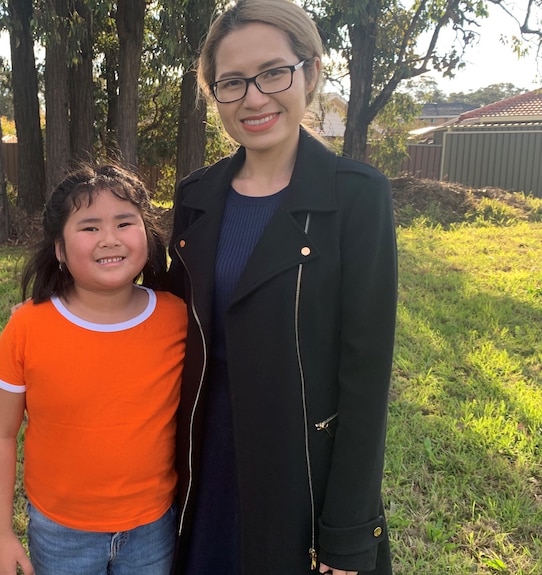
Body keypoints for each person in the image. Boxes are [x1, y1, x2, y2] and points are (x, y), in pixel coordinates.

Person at [168, 1, 398, 574]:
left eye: (273, 72)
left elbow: (366, 379)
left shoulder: (357, 198)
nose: (253, 97)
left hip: (301, 479)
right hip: (204, 468)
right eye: (232, 82)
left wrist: (348, 534)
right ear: (214, 94)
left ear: (311, 72)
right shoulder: (195, 199)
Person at [0, 163, 188, 575]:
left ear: (146, 234)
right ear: (58, 248)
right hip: (60, 533)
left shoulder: (178, 318)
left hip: (154, 528)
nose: (109, 239)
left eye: (125, 222)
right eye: (89, 227)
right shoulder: (27, 326)